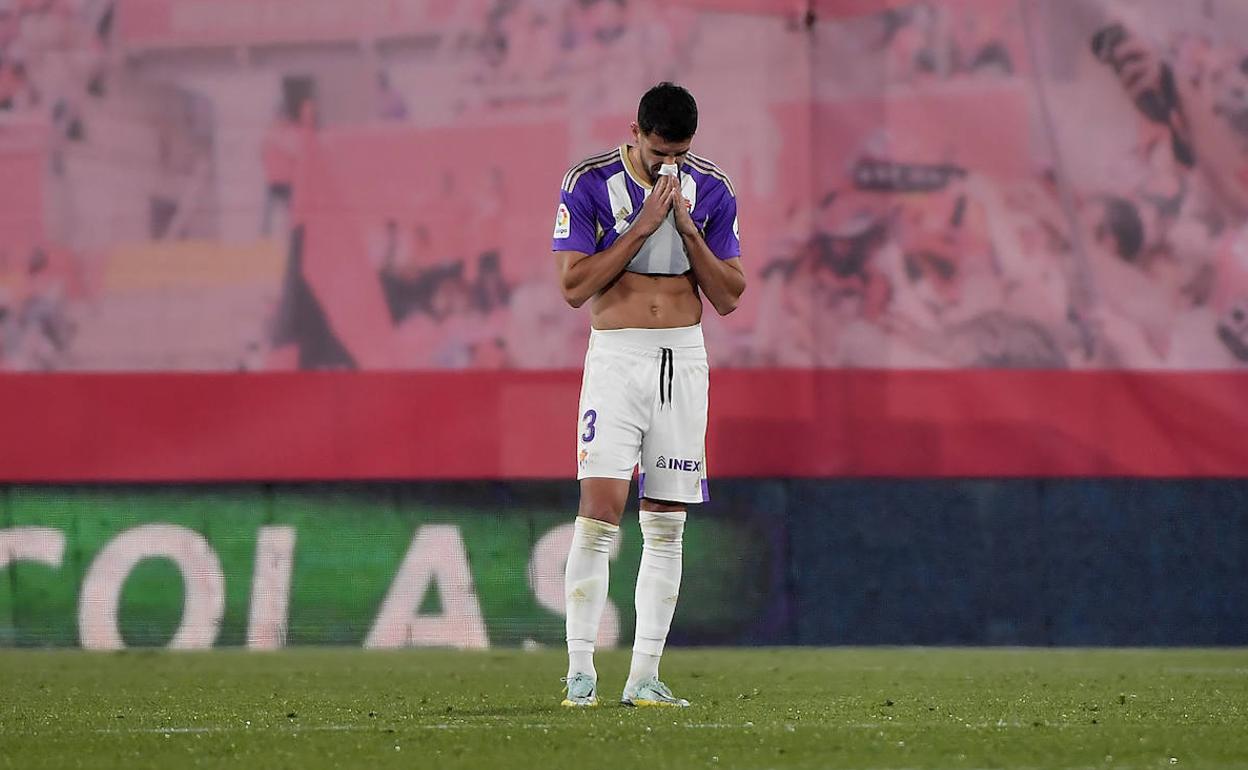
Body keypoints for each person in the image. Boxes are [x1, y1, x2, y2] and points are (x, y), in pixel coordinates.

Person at [551, 82, 745, 708]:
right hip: (617, 359)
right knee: (599, 514)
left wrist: (688, 230)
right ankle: (580, 671)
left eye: (680, 154)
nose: (670, 166)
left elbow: (728, 295)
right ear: (633, 130)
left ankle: (644, 678)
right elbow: (574, 286)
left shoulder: (711, 188)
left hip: (682, 360)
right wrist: (640, 229)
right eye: (660, 151)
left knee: (666, 526)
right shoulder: (588, 182)